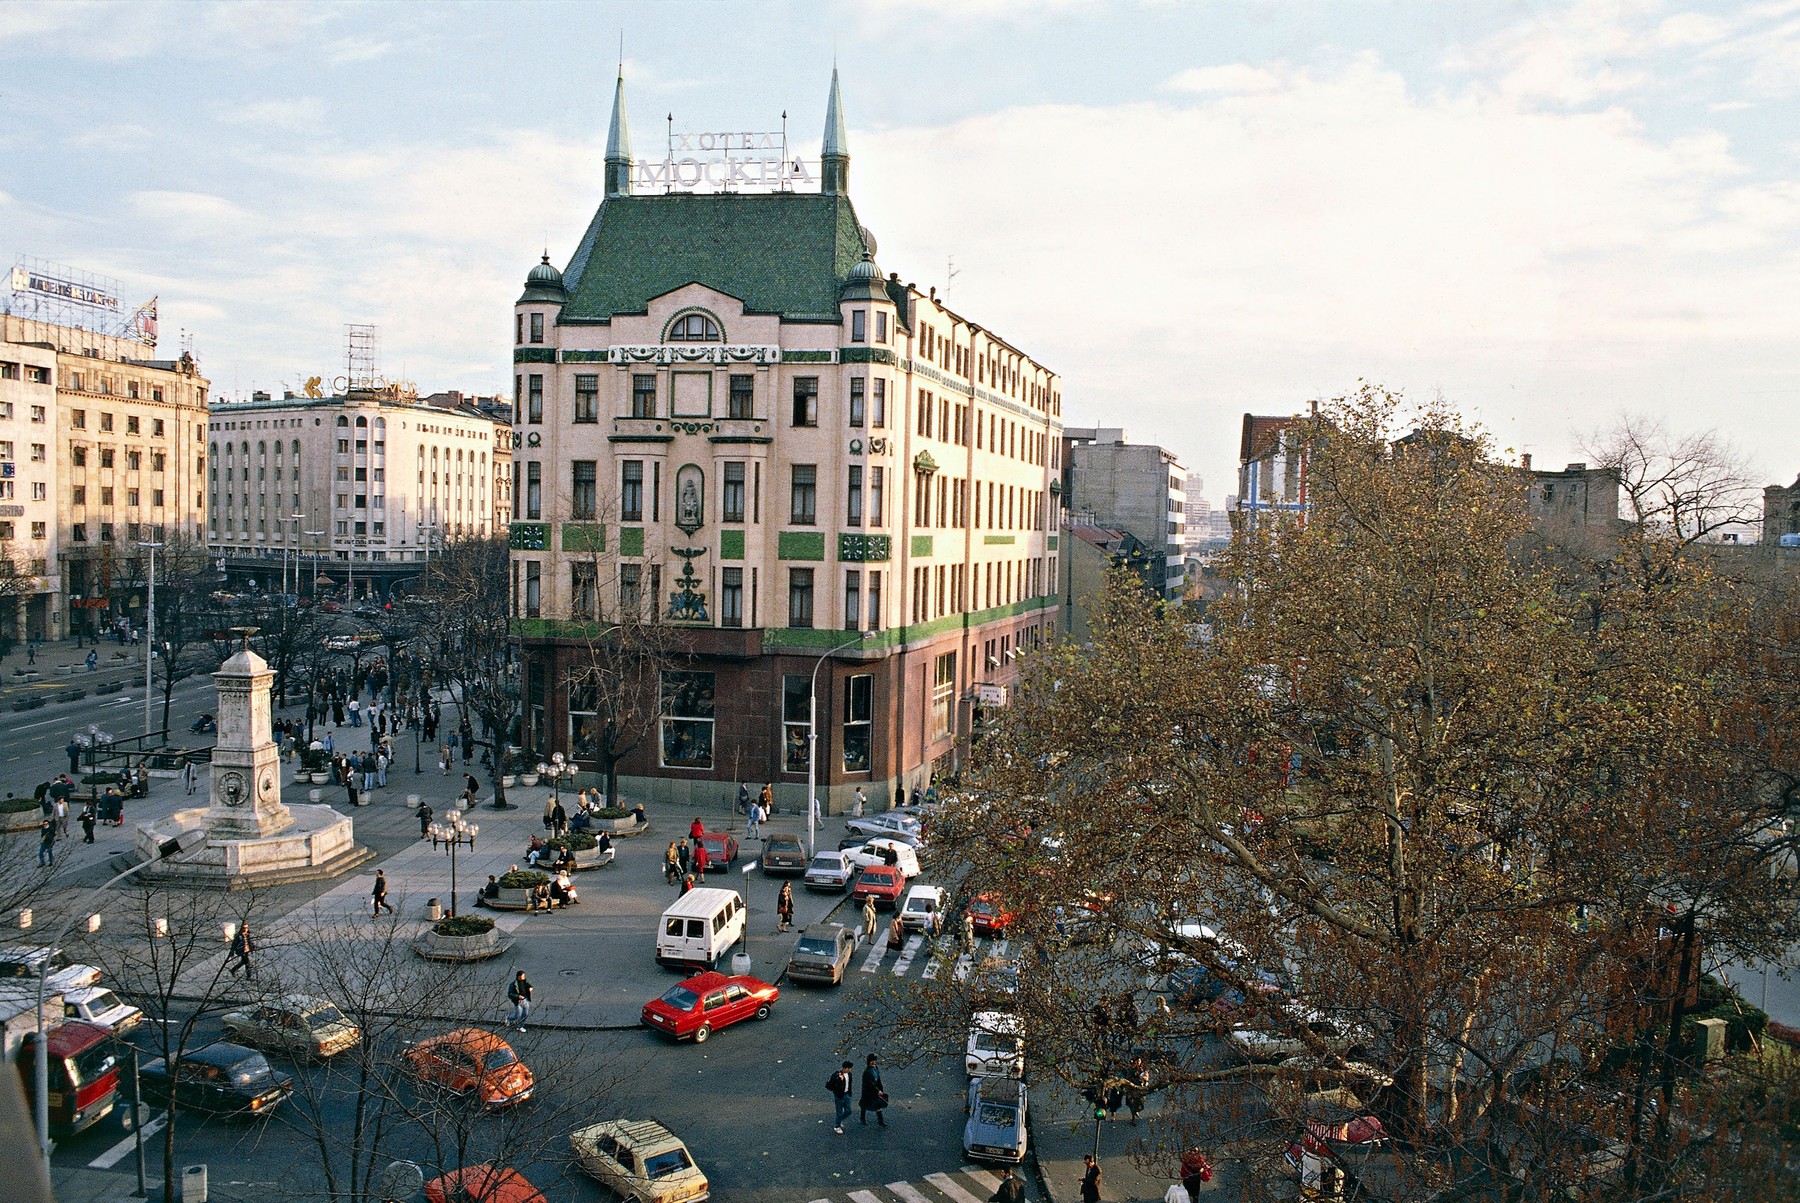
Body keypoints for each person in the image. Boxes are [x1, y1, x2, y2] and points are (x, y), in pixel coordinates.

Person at [859, 1053, 888, 1126]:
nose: (874, 1062)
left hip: (873, 1091)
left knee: (876, 1105)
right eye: (872, 1061)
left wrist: (880, 1089)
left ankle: (880, 1121)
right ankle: (863, 1118)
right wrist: (878, 1090)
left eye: (874, 1061)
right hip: (868, 1091)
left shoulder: (875, 1069)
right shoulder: (867, 1072)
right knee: (865, 1105)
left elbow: (878, 1080)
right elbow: (870, 1083)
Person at [827, 1060, 854, 1134]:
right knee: (839, 1112)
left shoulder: (849, 1074)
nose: (850, 1070)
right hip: (839, 1096)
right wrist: (839, 1080)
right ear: (845, 1068)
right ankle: (837, 1126)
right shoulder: (837, 1075)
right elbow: (830, 1086)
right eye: (849, 1068)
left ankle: (839, 1120)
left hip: (846, 1094)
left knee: (848, 1111)